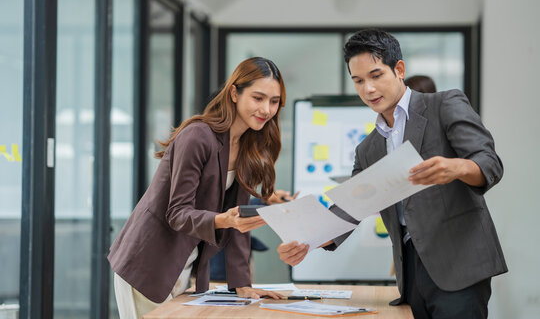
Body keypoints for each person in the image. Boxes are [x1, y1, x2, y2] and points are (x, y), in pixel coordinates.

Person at [278, 29, 507, 318]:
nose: (368, 89)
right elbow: (348, 211)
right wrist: (305, 242)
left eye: (376, 76)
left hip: (459, 264)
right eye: (358, 81)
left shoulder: (444, 105)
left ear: (399, 69)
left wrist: (457, 167)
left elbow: (489, 163)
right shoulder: (368, 149)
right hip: (410, 272)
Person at [108, 57, 287, 319]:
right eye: (258, 98)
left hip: (183, 265)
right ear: (234, 93)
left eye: (274, 102)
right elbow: (177, 212)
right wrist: (222, 220)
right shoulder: (198, 136)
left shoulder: (248, 145)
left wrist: (242, 284)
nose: (266, 109)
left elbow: (240, 223)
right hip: (148, 262)